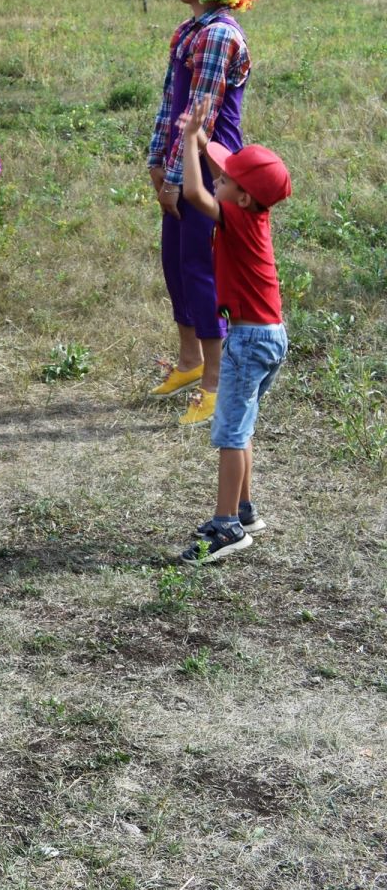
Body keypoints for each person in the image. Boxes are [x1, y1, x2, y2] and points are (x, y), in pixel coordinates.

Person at [146, 0, 260, 428]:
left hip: (211, 166)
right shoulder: (189, 29)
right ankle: (189, 363)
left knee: (200, 270)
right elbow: (171, 100)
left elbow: (202, 113)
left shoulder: (218, 35)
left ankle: (214, 385)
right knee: (176, 262)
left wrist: (175, 175)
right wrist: (155, 158)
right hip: (179, 158)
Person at [175, 114, 291, 563]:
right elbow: (218, 178)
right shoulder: (250, 213)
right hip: (268, 335)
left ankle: (226, 527)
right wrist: (202, 138)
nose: (216, 179)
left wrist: (187, 143)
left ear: (242, 196)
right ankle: (244, 510)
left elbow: (192, 194)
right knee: (242, 430)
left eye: (224, 179)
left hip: (249, 340)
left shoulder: (238, 219)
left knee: (229, 433)